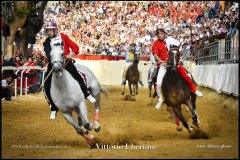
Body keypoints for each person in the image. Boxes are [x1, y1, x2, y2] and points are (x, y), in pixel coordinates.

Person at [43, 21, 96, 120]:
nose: (49, 32)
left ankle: (86, 94)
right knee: (45, 84)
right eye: (48, 31)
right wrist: (55, 62)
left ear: (55, 30)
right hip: (54, 64)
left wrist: (71, 55)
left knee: (77, 75)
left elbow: (75, 47)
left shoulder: (64, 37)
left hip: (66, 62)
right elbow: (48, 53)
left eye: (51, 30)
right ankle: (53, 108)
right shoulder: (46, 41)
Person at [152, 28, 203, 110]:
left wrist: (179, 59)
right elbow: (155, 55)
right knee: (158, 83)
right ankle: (161, 98)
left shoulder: (170, 40)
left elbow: (178, 49)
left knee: (187, 76)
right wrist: (161, 61)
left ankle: (194, 90)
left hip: (175, 63)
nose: (160, 35)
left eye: (161, 33)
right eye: (159, 34)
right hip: (163, 65)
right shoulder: (155, 44)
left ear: (164, 34)